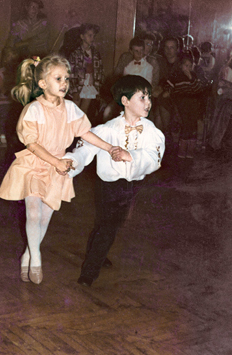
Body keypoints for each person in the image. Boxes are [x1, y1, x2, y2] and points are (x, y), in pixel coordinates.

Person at [0, 54, 119, 285]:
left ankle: (28, 253)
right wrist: (55, 162)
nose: (64, 83)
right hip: (34, 164)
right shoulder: (33, 110)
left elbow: (85, 133)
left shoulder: (71, 108)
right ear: (43, 83)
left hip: (59, 168)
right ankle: (36, 259)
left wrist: (110, 147)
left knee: (44, 218)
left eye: (67, 78)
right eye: (58, 78)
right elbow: (31, 143)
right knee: (33, 213)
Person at [64, 75, 165, 287]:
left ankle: (99, 254)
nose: (148, 102)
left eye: (149, 97)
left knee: (108, 223)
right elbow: (85, 149)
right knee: (108, 224)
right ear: (125, 101)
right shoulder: (107, 130)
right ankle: (89, 272)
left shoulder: (151, 131)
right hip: (107, 184)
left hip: (131, 185)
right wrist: (71, 162)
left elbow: (155, 158)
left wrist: (131, 156)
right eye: (142, 98)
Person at [163, 53, 204, 158]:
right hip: (181, 103)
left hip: (193, 103)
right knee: (185, 124)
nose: (188, 68)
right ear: (180, 66)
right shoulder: (176, 76)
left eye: (190, 66)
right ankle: (182, 148)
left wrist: (191, 78)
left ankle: (190, 148)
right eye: (186, 65)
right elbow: (169, 87)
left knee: (193, 124)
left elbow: (198, 90)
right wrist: (167, 92)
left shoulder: (193, 76)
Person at [68, 23, 104, 118]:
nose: (92, 38)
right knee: (74, 111)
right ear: (82, 37)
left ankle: (80, 131)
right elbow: (71, 73)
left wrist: (98, 87)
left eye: (94, 36)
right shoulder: (75, 54)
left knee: (83, 113)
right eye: (90, 35)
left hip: (90, 84)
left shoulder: (95, 53)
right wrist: (74, 90)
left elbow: (100, 71)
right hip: (78, 84)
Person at [0, 47, 19, 147]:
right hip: (4, 102)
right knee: (3, 119)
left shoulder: (16, 71)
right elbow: (0, 89)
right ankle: (2, 138)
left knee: (12, 119)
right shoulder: (1, 72)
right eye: (10, 58)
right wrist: (9, 87)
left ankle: (10, 137)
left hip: (13, 101)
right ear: (5, 60)